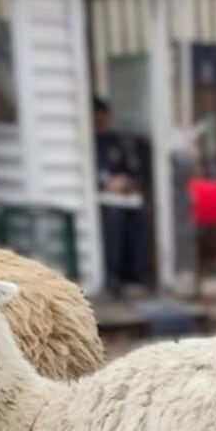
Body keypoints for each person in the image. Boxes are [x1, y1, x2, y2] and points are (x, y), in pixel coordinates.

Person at [94, 96, 151, 297]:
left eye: (104, 117)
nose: (102, 121)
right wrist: (104, 184)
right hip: (100, 199)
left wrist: (128, 183)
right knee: (113, 218)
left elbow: (132, 172)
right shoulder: (89, 144)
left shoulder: (115, 143)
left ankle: (136, 274)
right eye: (98, 117)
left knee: (141, 213)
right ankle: (113, 275)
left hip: (122, 197)